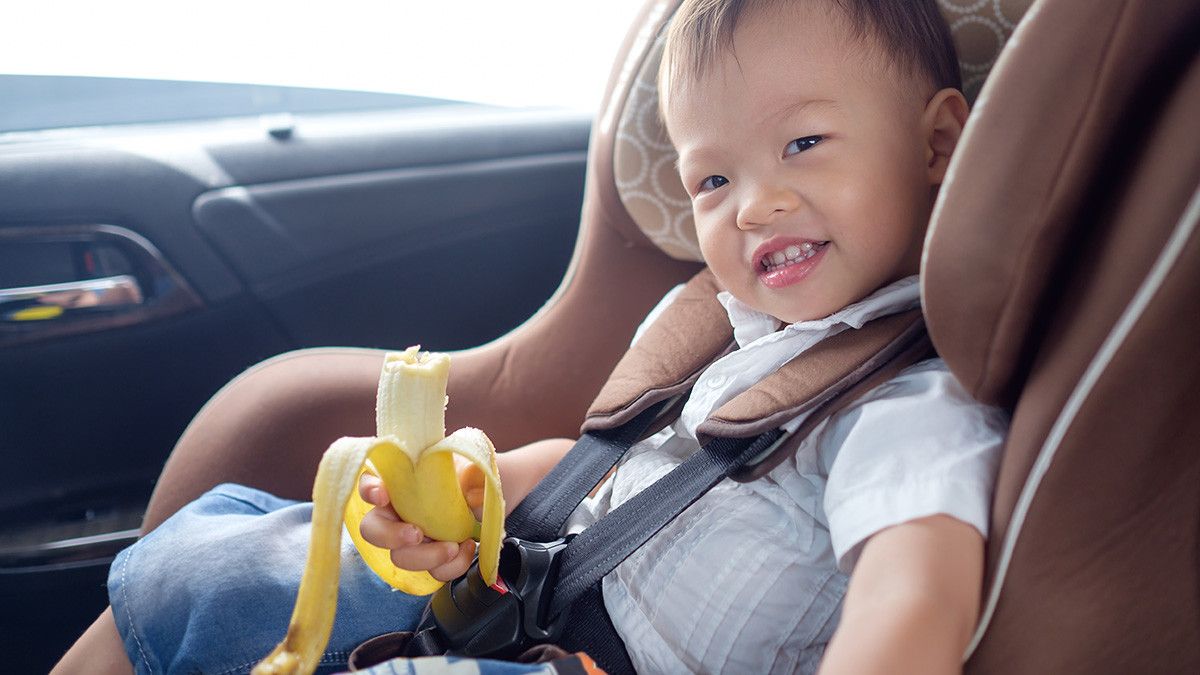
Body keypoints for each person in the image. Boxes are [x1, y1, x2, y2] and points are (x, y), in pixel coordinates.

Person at [54, 1, 1005, 673]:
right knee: (206, 565)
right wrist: (481, 491)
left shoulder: (908, 405)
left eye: (804, 144)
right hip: (518, 593)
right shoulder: (728, 327)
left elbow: (910, 603)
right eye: (713, 181)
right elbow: (611, 473)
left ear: (935, 145)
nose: (756, 206)